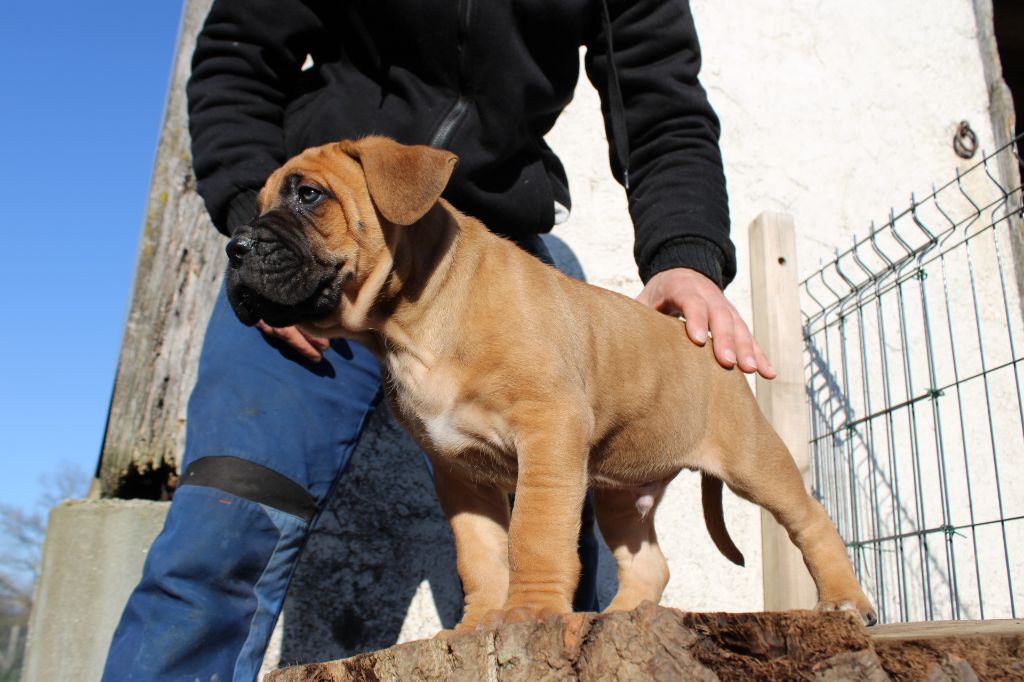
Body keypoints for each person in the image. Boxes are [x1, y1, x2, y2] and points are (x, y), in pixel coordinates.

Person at [103, 1, 774, 680]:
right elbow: (238, 52)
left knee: (549, 578)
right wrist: (272, 239)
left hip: (491, 254)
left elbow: (658, 93)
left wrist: (684, 255)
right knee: (222, 532)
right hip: (327, 253)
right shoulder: (303, 227)